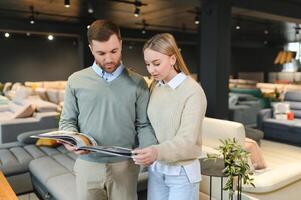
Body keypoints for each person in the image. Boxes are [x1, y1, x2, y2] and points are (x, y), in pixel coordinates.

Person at [59, 19, 157, 200]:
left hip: (125, 168)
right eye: (101, 53)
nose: (109, 59)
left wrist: (149, 149)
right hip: (87, 166)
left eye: (114, 51)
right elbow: (67, 121)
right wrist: (70, 140)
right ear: (91, 49)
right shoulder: (75, 80)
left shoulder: (138, 83)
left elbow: (143, 124)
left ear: (121, 44)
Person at [132, 33, 207, 200]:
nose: (151, 70)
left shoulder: (193, 91)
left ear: (172, 59)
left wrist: (155, 152)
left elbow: (187, 141)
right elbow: (148, 124)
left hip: (182, 173)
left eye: (156, 63)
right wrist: (147, 149)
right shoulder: (155, 87)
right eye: (148, 64)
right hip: (157, 169)